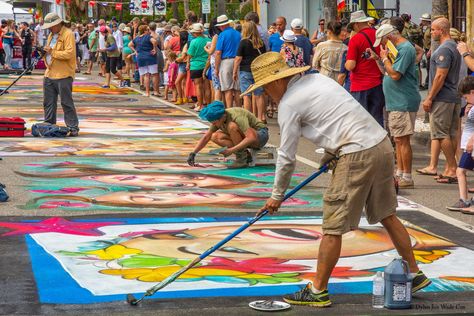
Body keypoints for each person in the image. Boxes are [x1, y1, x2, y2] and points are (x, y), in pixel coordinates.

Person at [246, 52, 430, 307]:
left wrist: (277, 195)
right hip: (379, 144)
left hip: (356, 154)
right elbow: (340, 117)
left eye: (266, 88)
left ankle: (318, 289)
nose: (266, 94)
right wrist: (332, 153)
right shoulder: (318, 80)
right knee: (387, 214)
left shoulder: (289, 103)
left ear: (276, 81)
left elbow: (287, 157)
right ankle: (413, 272)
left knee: (334, 224)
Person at [374, 24, 420, 189]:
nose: (383, 45)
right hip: (396, 101)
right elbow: (387, 72)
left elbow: (394, 74)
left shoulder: (405, 49)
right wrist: (380, 60)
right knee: (399, 139)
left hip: (403, 101)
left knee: (403, 139)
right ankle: (400, 173)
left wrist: (385, 59)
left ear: (390, 37)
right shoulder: (398, 49)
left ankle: (406, 175)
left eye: (383, 41)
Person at [416, 18, 462, 184]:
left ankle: (452, 168)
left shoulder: (445, 49)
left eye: (434, 29)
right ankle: (452, 168)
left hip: (443, 97)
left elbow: (440, 75)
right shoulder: (454, 47)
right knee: (450, 133)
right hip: (453, 96)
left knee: (441, 134)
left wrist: (429, 97)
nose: (432, 32)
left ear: (441, 31)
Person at [187, 101, 269, 168]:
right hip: (247, 138)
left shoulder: (237, 116)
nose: (214, 125)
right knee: (215, 136)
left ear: (222, 117)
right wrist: (193, 153)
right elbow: (206, 137)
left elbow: (252, 137)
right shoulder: (218, 118)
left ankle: (241, 159)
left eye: (215, 123)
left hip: (260, 136)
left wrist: (231, 150)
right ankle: (245, 155)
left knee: (231, 127)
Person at [41, 12, 79, 136]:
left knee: (66, 102)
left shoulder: (68, 34)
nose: (49, 28)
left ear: (57, 24)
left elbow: (69, 53)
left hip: (63, 74)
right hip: (50, 73)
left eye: (51, 26)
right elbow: (50, 52)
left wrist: (52, 52)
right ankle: (49, 124)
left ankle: (73, 127)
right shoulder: (52, 35)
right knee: (48, 102)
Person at [345, 10, 384, 126]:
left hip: (360, 85)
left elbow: (350, 65)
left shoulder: (355, 40)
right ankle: (379, 143)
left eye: (353, 26)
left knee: (361, 121)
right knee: (377, 118)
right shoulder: (378, 35)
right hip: (378, 83)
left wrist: (345, 65)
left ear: (356, 24)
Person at [447, 77, 474, 213]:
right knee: (460, 171)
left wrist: (471, 141)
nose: (465, 100)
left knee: (461, 171)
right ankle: (463, 200)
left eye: (466, 97)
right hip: (469, 146)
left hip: (472, 145)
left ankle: (468, 201)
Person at [233, 21, 266, 122]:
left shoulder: (243, 42)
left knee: (246, 96)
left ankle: (249, 118)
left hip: (246, 70)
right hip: (258, 71)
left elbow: (238, 58)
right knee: (259, 95)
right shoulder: (261, 43)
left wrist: (234, 71)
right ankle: (260, 117)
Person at [214, 15, 241, 108]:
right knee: (237, 89)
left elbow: (218, 52)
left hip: (226, 61)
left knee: (227, 89)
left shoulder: (222, 35)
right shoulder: (238, 33)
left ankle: (229, 110)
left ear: (221, 26)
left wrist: (216, 68)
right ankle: (238, 110)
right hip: (238, 60)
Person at [129, 24, 159, 97]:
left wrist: (135, 51)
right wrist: (155, 49)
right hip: (150, 56)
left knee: (146, 75)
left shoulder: (136, 38)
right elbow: (154, 42)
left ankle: (147, 92)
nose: (149, 31)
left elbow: (130, 44)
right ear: (145, 31)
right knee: (154, 74)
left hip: (140, 57)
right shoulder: (148, 37)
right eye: (148, 30)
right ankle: (155, 91)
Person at [187, 23, 211, 111]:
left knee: (198, 86)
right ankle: (208, 105)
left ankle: (200, 105)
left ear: (196, 33)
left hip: (196, 65)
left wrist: (188, 63)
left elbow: (190, 54)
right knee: (207, 86)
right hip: (207, 65)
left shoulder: (194, 41)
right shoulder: (209, 40)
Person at [420, 13, 432, 89]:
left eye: (423, 21)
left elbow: (433, 40)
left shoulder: (431, 28)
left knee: (429, 67)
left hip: (430, 49)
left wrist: (430, 50)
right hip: (427, 48)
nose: (422, 22)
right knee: (428, 66)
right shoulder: (427, 28)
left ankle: (428, 83)